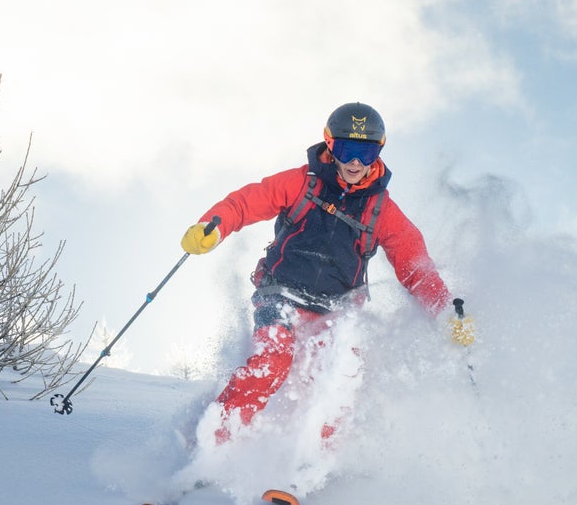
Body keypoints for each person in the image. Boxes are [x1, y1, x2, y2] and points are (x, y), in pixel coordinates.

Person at [180, 102, 474, 445]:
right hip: (282, 295)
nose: (355, 162)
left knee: (342, 379)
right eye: (347, 150)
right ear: (330, 145)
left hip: (337, 311)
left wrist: (443, 311)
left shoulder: (381, 210)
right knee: (272, 362)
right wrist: (213, 227)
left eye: (366, 152)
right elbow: (247, 202)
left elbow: (416, 267)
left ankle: (316, 460)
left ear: (378, 152)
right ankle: (213, 442)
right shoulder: (302, 183)